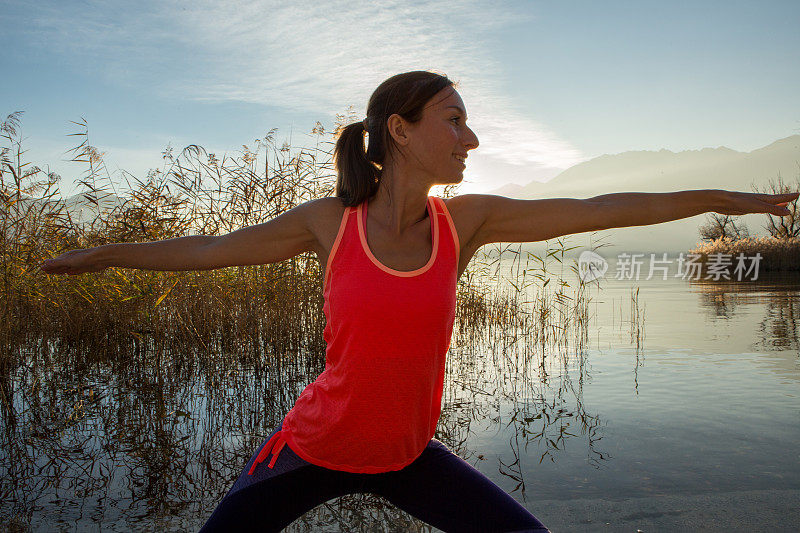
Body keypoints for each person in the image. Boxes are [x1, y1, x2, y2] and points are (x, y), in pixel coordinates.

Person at [40, 70, 798, 532]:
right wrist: (102, 252)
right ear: (399, 130)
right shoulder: (329, 223)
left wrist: (735, 197)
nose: (472, 136)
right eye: (455, 119)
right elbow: (207, 251)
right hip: (312, 449)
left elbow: (604, 206)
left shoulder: (466, 223)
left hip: (407, 455)